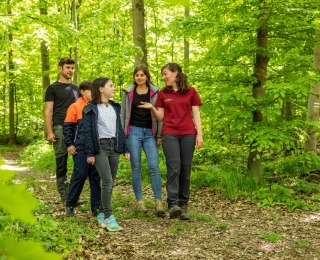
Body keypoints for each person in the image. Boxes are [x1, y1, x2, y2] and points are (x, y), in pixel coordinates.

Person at [138, 62, 203, 220]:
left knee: (186, 170)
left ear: (175, 73)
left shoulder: (191, 92)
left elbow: (196, 115)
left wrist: (199, 135)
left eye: (166, 73)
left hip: (188, 134)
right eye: (163, 74)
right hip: (170, 134)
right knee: (174, 167)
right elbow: (160, 117)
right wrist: (152, 108)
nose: (164, 77)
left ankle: (183, 205)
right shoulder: (162, 94)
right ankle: (173, 204)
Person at [83, 77, 130, 231]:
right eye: (111, 86)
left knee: (110, 183)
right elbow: (88, 133)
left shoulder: (115, 107)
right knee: (107, 180)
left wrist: (125, 149)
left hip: (114, 147)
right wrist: (90, 153)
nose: (114, 88)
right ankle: (109, 217)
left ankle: (102, 214)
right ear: (101, 89)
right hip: (100, 148)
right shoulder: (90, 108)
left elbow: (120, 130)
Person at [121, 64, 165, 217]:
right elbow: (123, 114)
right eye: (137, 75)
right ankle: (139, 201)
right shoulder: (128, 92)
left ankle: (158, 201)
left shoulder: (155, 92)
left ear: (147, 76)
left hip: (150, 134)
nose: (139, 77)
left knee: (154, 167)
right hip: (133, 132)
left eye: (142, 75)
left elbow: (160, 115)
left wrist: (159, 135)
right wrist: (123, 135)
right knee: (136, 168)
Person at [44, 57, 80, 203]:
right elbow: (48, 111)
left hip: (76, 129)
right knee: (61, 163)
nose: (70, 70)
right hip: (59, 127)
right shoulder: (52, 88)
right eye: (67, 67)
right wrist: (50, 131)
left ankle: (72, 196)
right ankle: (65, 197)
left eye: (72, 68)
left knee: (79, 164)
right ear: (60, 68)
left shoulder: (77, 89)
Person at [63, 80, 101, 217]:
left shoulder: (98, 106)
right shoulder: (74, 107)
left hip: (96, 148)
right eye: (90, 90)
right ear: (83, 91)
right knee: (80, 174)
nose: (93, 93)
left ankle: (96, 207)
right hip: (79, 147)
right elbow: (67, 127)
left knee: (95, 176)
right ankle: (70, 204)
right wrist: (69, 144)